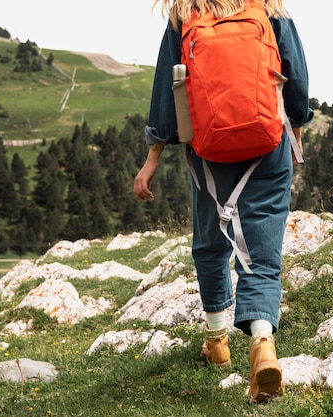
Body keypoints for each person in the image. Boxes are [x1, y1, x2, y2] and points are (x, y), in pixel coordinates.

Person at [133, 0, 312, 403]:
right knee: (262, 253)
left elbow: (166, 86)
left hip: (208, 147)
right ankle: (262, 343)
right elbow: (295, 72)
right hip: (269, 141)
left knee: (211, 239)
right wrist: (296, 127)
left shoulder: (185, 14)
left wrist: (153, 156)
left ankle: (216, 341)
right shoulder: (268, 8)